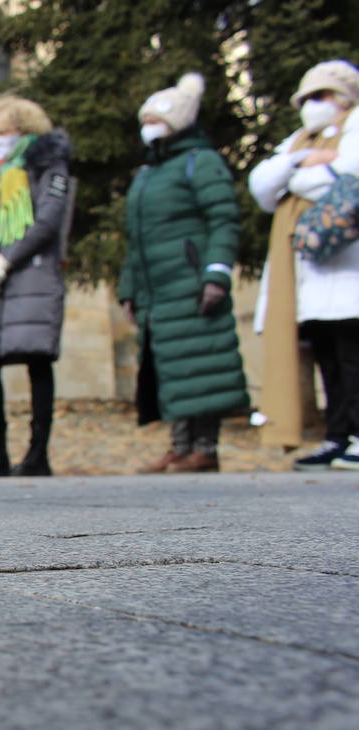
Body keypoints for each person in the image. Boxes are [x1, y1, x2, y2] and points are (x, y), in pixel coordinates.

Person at [121, 73, 249, 474]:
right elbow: (136, 237)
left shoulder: (201, 162)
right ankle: (179, 445)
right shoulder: (147, 175)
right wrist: (129, 288)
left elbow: (223, 219)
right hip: (157, 290)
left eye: (155, 120)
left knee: (201, 364)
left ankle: (206, 448)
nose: (148, 129)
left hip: (191, 281)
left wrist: (216, 274)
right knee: (169, 365)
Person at [248, 60, 359, 472]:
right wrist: (305, 162)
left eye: (322, 96)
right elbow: (262, 185)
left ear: (343, 97)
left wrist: (299, 176)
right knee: (327, 356)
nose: (313, 104)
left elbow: (351, 177)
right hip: (310, 271)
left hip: (349, 263)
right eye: (308, 97)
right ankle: (338, 435)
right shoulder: (300, 141)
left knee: (353, 354)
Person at [0, 97, 72, 477]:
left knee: (37, 358)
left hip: (30, 275)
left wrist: (7, 260)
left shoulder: (48, 169)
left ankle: (38, 452)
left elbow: (48, 220)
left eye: (4, 132)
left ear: (25, 131)